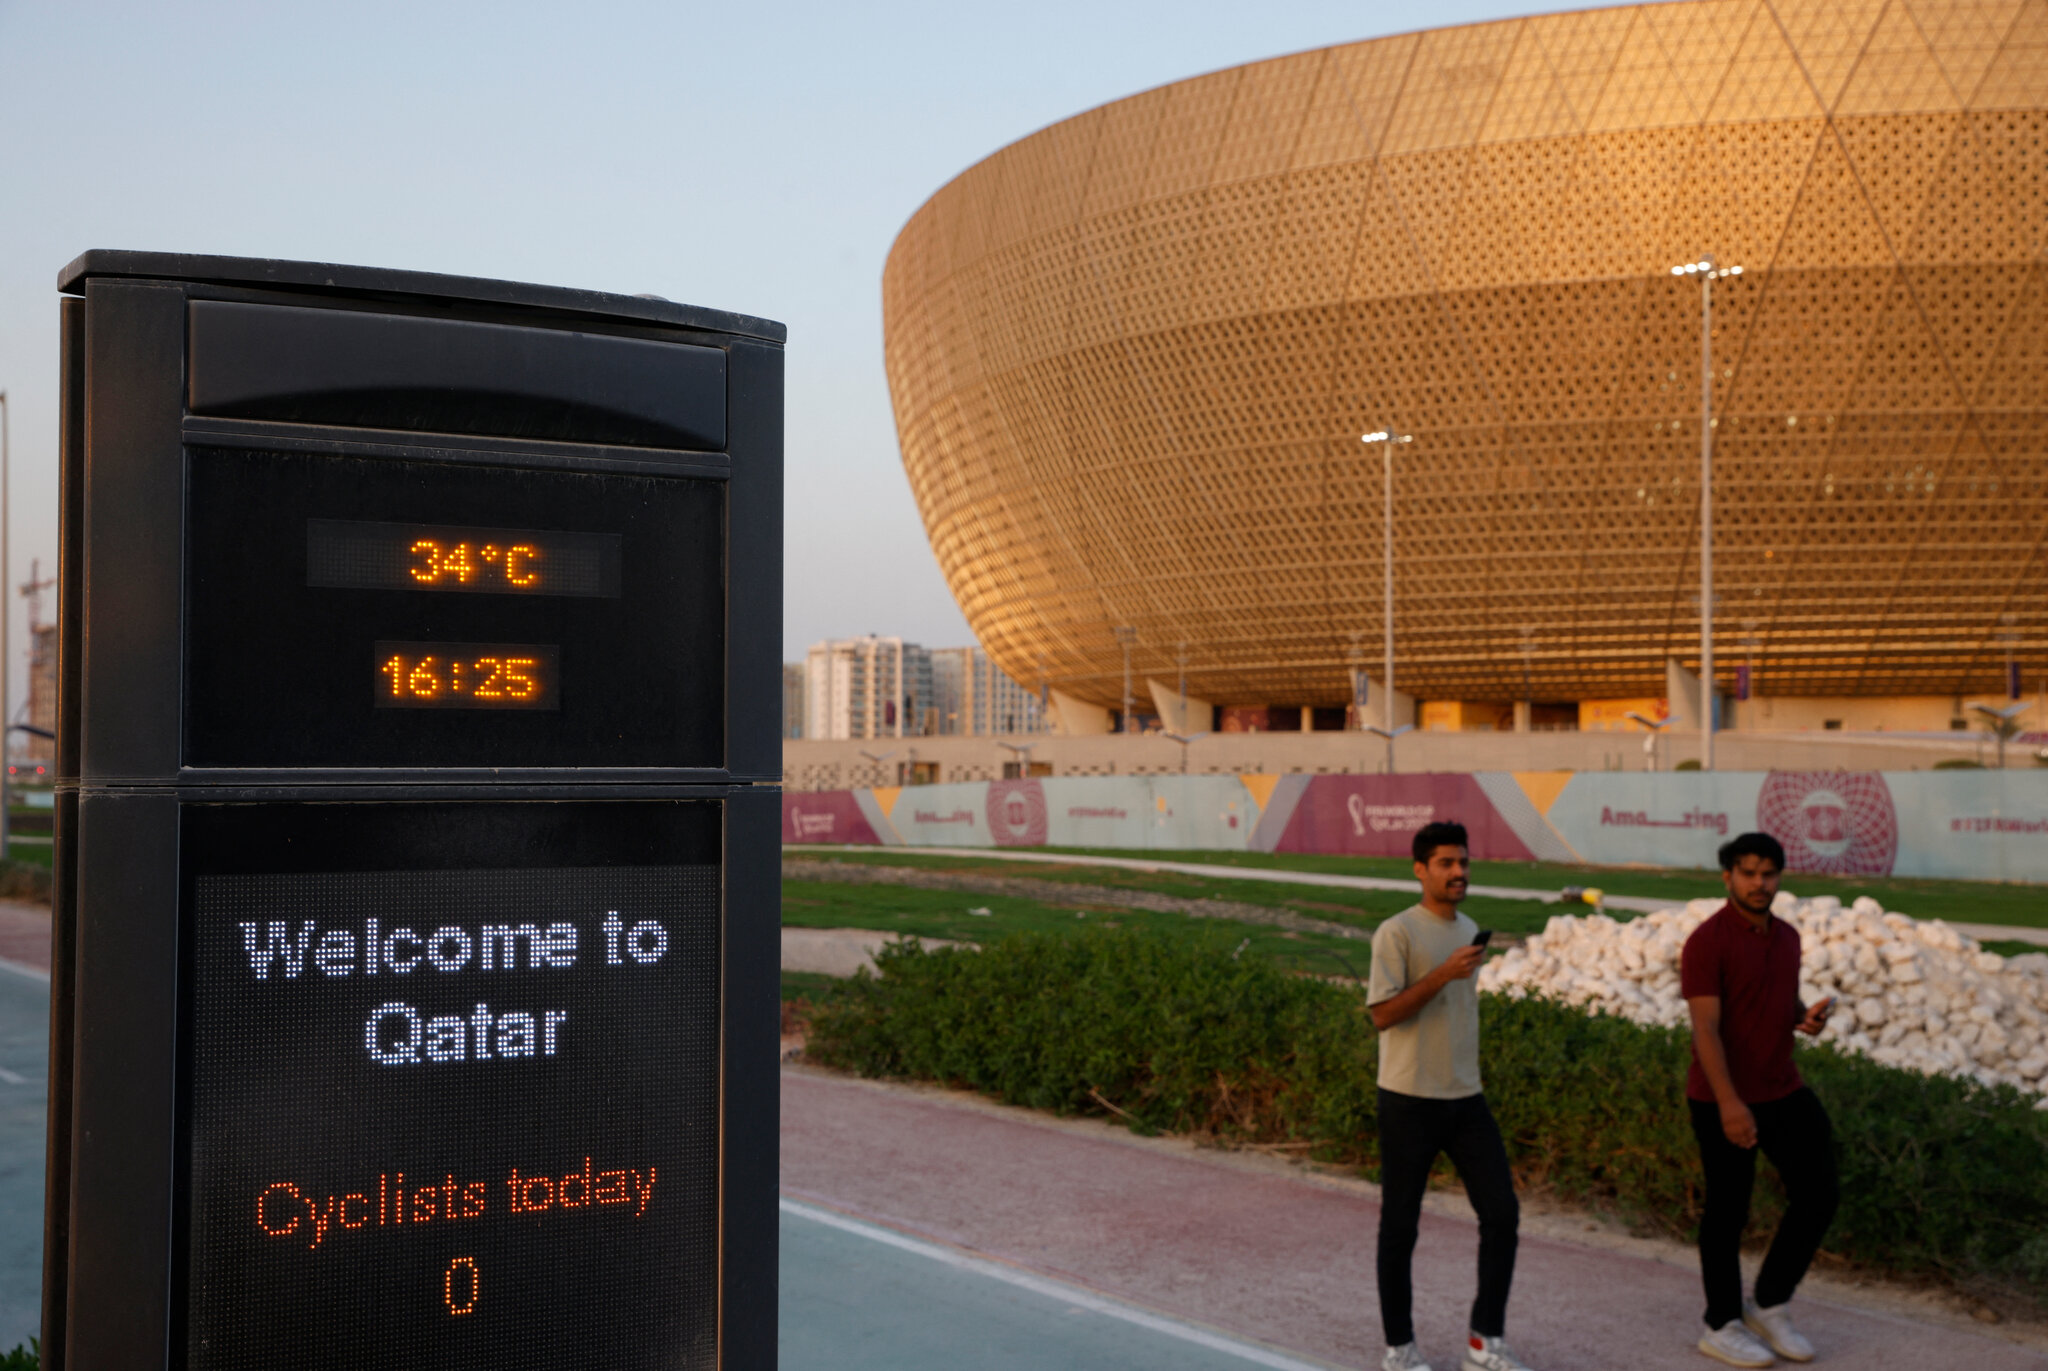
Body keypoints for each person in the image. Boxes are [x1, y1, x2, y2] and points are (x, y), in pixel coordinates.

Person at [1368, 821, 1531, 1371]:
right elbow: (1383, 1015)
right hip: (1409, 1099)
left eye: (1463, 861)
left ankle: (1485, 1342)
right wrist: (1442, 974)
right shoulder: (1397, 933)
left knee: (1503, 1215)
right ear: (1420, 870)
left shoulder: (1467, 929)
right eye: (1445, 863)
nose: (1459, 872)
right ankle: (1399, 1348)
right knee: (1400, 1227)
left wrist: (1454, 969)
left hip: (1467, 1099)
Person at [1683, 832, 1838, 1367]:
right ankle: (1720, 1323)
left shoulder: (1788, 937)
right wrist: (1729, 1105)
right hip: (1721, 1094)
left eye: (1768, 873)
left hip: (1782, 1086)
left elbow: (1777, 1000)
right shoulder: (1707, 942)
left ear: (1779, 877)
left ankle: (1769, 1304)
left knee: (1819, 1192)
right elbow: (1705, 1029)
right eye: (1747, 872)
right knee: (1728, 1212)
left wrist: (1804, 1018)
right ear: (1727, 877)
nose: (1759, 882)